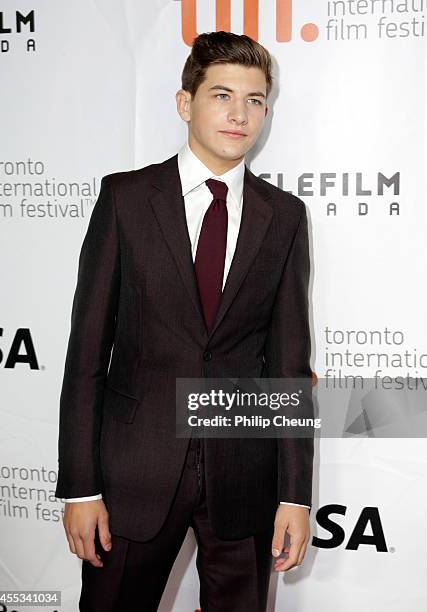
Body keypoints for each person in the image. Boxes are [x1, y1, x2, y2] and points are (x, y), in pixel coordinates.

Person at [55, 30, 314, 612]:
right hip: (132, 477)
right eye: (222, 95)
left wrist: (295, 495)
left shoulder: (285, 217)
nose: (240, 115)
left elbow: (290, 368)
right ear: (184, 103)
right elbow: (86, 359)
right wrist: (80, 485)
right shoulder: (126, 200)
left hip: (244, 479)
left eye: (255, 101)